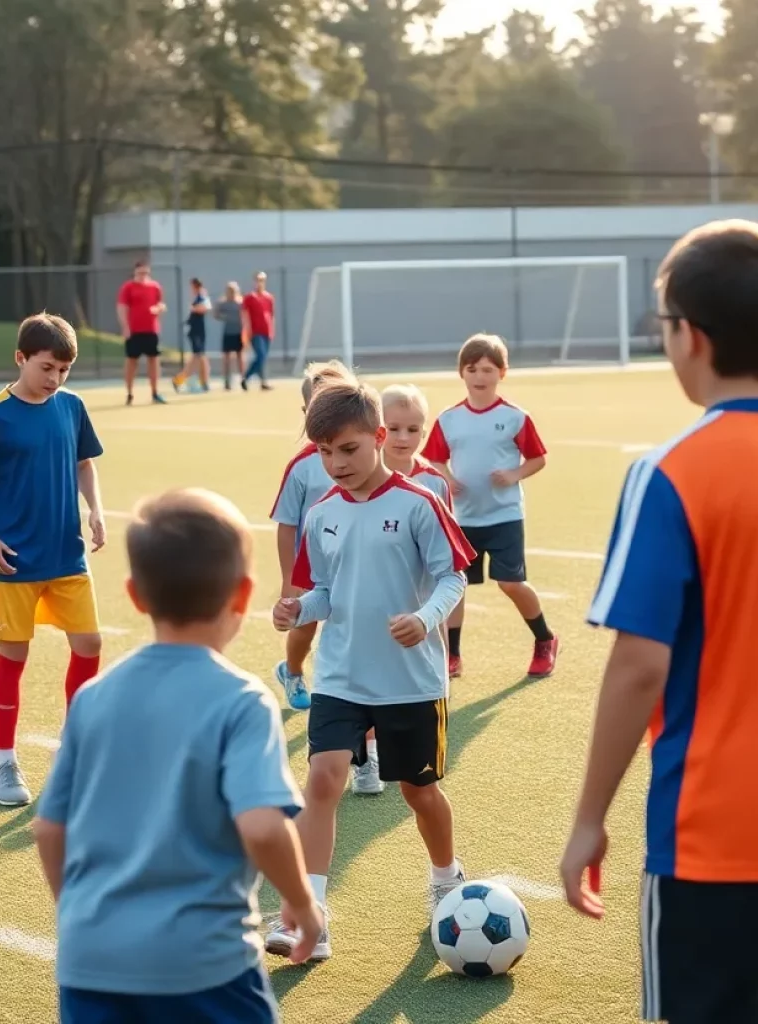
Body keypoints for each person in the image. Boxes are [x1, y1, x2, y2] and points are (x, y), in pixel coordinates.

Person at [561, 219, 758, 1024]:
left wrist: (587, 821)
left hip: (712, 837)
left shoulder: (671, 472)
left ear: (692, 338)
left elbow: (640, 665)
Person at [33, 488, 322, 1023]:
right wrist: (303, 905)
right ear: (243, 595)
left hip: (91, 962)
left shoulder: (94, 696)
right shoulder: (242, 702)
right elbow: (261, 828)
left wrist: (78, 917)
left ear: (136, 595)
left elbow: (50, 829)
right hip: (205, 965)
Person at [266, 380, 475, 962]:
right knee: (323, 779)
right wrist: (296, 608)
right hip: (340, 677)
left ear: (380, 439)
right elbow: (324, 592)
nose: (336, 464)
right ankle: (311, 916)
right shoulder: (322, 513)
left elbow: (453, 575)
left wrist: (426, 617)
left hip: (409, 680)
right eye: (325, 452)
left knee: (420, 791)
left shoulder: (420, 503)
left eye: (349, 450)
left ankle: (445, 878)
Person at [0, 313, 105, 808]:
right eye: (46, 367)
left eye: (63, 369)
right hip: (12, 561)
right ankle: (4, 761)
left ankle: (72, 752)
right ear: (21, 359)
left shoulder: (72, 407)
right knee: (14, 657)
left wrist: (95, 509)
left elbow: (84, 462)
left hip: (67, 556)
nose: (55, 378)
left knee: (90, 645)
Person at [422, 335, 558, 680]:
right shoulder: (449, 419)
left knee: (511, 583)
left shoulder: (514, 417)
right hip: (462, 519)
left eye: (487, 369)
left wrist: (515, 473)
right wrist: (447, 477)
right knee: (456, 585)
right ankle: (452, 655)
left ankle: (545, 639)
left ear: (502, 373)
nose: (480, 376)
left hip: (504, 515)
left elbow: (538, 458)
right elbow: (433, 459)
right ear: (461, 373)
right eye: (472, 369)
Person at [269, 360, 353, 714]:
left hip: (353, 558)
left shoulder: (364, 456)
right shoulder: (302, 466)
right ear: (307, 412)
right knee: (306, 625)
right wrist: (290, 579)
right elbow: (287, 524)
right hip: (312, 566)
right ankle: (292, 671)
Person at [381, 384, 452, 507]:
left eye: (412, 430)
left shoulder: (434, 482)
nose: (403, 438)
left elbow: (444, 525)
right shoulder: (359, 477)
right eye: (393, 428)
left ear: (423, 433)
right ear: (377, 430)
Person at [117, 261, 167, 406]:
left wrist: (159, 309)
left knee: (154, 360)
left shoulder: (155, 287)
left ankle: (155, 392)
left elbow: (160, 304)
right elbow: (122, 307)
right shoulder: (128, 287)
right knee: (132, 361)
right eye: (140, 273)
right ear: (135, 272)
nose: (143, 276)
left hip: (151, 330)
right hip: (134, 331)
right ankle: (129, 393)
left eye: (145, 273)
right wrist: (125, 327)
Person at [172, 278, 212, 394]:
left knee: (200, 357)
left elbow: (206, 308)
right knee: (198, 357)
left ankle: (202, 382)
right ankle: (180, 380)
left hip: (199, 330)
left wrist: (194, 308)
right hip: (195, 331)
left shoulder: (201, 295)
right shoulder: (196, 297)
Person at [242, 271, 275, 391]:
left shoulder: (269, 297)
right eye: (258, 280)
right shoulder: (249, 298)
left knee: (263, 357)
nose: (260, 282)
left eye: (262, 280)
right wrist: (247, 330)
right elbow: (245, 315)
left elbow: (271, 315)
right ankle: (246, 377)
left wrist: (272, 330)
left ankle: (263, 382)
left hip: (266, 331)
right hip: (255, 332)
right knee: (260, 355)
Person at [214, 282, 246, 390]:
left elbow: (246, 314)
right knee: (226, 358)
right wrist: (224, 316)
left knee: (240, 357)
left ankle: (243, 379)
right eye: (229, 290)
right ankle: (227, 381)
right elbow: (216, 314)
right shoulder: (223, 303)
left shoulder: (240, 302)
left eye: (233, 290)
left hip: (239, 333)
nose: (231, 293)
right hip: (228, 332)